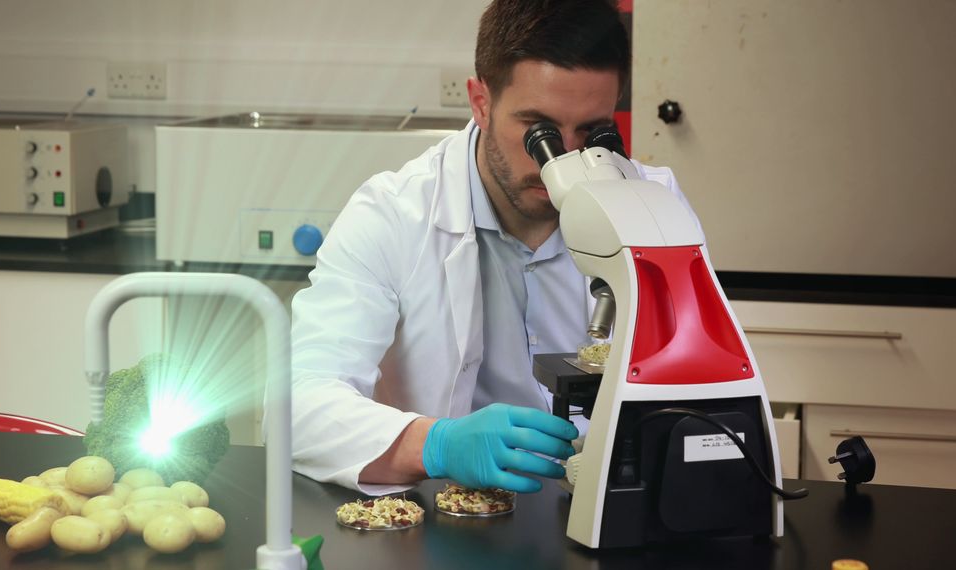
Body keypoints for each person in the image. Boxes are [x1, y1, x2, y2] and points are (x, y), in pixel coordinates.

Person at [289, 0, 700, 495]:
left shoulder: (653, 206)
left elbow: (700, 381)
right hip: (443, 517)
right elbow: (297, 405)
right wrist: (435, 444)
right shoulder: (394, 214)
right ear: (480, 101)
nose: (563, 161)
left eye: (590, 132)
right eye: (539, 131)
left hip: (602, 505)